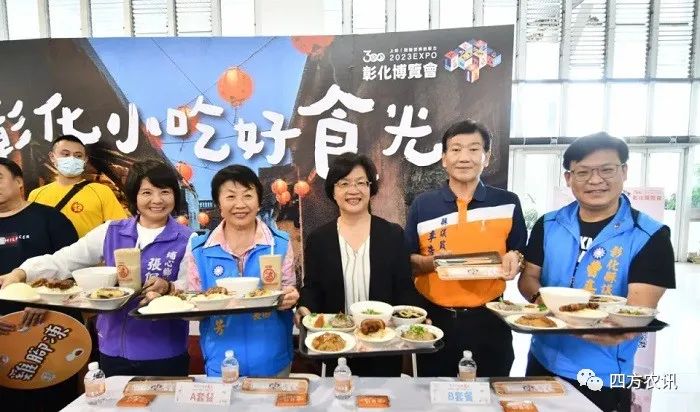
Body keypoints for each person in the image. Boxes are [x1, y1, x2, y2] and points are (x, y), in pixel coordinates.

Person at [519, 132, 675, 412]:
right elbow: (529, 277)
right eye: (583, 172)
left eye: (606, 170)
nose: (595, 180)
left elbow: (638, 310)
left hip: (602, 374)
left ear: (624, 171)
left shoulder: (650, 236)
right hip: (541, 360)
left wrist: (617, 329)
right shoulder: (548, 224)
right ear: (569, 178)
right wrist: (542, 304)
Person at [0, 160, 195, 377]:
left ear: (175, 195)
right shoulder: (110, 231)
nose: (157, 200)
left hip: (164, 350)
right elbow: (64, 260)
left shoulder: (188, 239)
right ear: (134, 196)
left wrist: (168, 287)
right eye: (146, 192)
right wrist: (21, 273)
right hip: (111, 349)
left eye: (165, 192)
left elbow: (192, 289)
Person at [405, 119, 527, 377]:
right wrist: (432, 262)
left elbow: (520, 252)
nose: (464, 157)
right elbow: (408, 261)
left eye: (474, 149)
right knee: (432, 393)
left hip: (490, 318)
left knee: (490, 392)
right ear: (444, 158)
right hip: (434, 320)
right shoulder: (423, 205)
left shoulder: (508, 202)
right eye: (456, 149)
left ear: (487, 157)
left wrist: (515, 258)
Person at [297, 152, 421, 377]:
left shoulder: (392, 234)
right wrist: (304, 309)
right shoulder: (319, 239)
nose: (353, 190)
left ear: (371, 188)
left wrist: (415, 317)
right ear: (333, 191)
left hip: (384, 344)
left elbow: (404, 287)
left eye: (361, 183)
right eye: (344, 183)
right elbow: (312, 288)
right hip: (336, 345)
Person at [186, 165, 299, 377]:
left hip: (273, 362)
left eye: (247, 195)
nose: (240, 204)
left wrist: (290, 297)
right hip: (221, 364)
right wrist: (188, 307)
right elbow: (193, 308)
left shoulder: (280, 244)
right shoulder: (199, 250)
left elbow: (287, 291)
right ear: (219, 204)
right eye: (230, 196)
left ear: (258, 202)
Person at [0, 157, 79, 411]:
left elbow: (75, 271)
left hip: (51, 333)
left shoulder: (50, 219)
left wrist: (46, 300)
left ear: (19, 182)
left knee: (54, 401)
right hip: (4, 338)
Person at [28, 134, 127, 238]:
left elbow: (121, 231)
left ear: (85, 160)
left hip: (91, 249)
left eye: (78, 156)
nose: (72, 159)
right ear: (52, 157)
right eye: (65, 154)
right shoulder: (36, 195)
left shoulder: (101, 191)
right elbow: (31, 232)